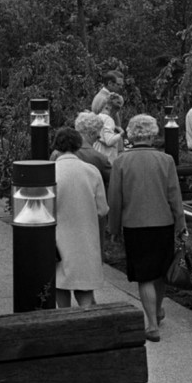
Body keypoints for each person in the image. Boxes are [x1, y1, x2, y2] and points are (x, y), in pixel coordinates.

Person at [107, 114, 187, 342]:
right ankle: (158, 310)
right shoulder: (166, 160)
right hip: (163, 224)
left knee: (144, 275)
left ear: (131, 134)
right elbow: (175, 197)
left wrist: (113, 229)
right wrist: (181, 225)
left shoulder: (120, 162)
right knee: (161, 272)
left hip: (135, 225)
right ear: (152, 134)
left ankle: (151, 323)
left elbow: (116, 199)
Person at [52, 128, 108, 309]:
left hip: (58, 238)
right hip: (86, 238)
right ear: (78, 145)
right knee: (84, 289)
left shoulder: (50, 172)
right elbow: (102, 210)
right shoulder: (91, 171)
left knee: (60, 283)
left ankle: (64, 320)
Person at [73, 111, 112, 189]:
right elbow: (115, 182)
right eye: (97, 136)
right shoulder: (100, 159)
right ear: (91, 134)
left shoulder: (58, 153)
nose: (99, 137)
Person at [93, 92, 125, 163]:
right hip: (107, 158)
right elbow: (109, 141)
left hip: (96, 154)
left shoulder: (97, 117)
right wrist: (121, 134)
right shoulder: (108, 120)